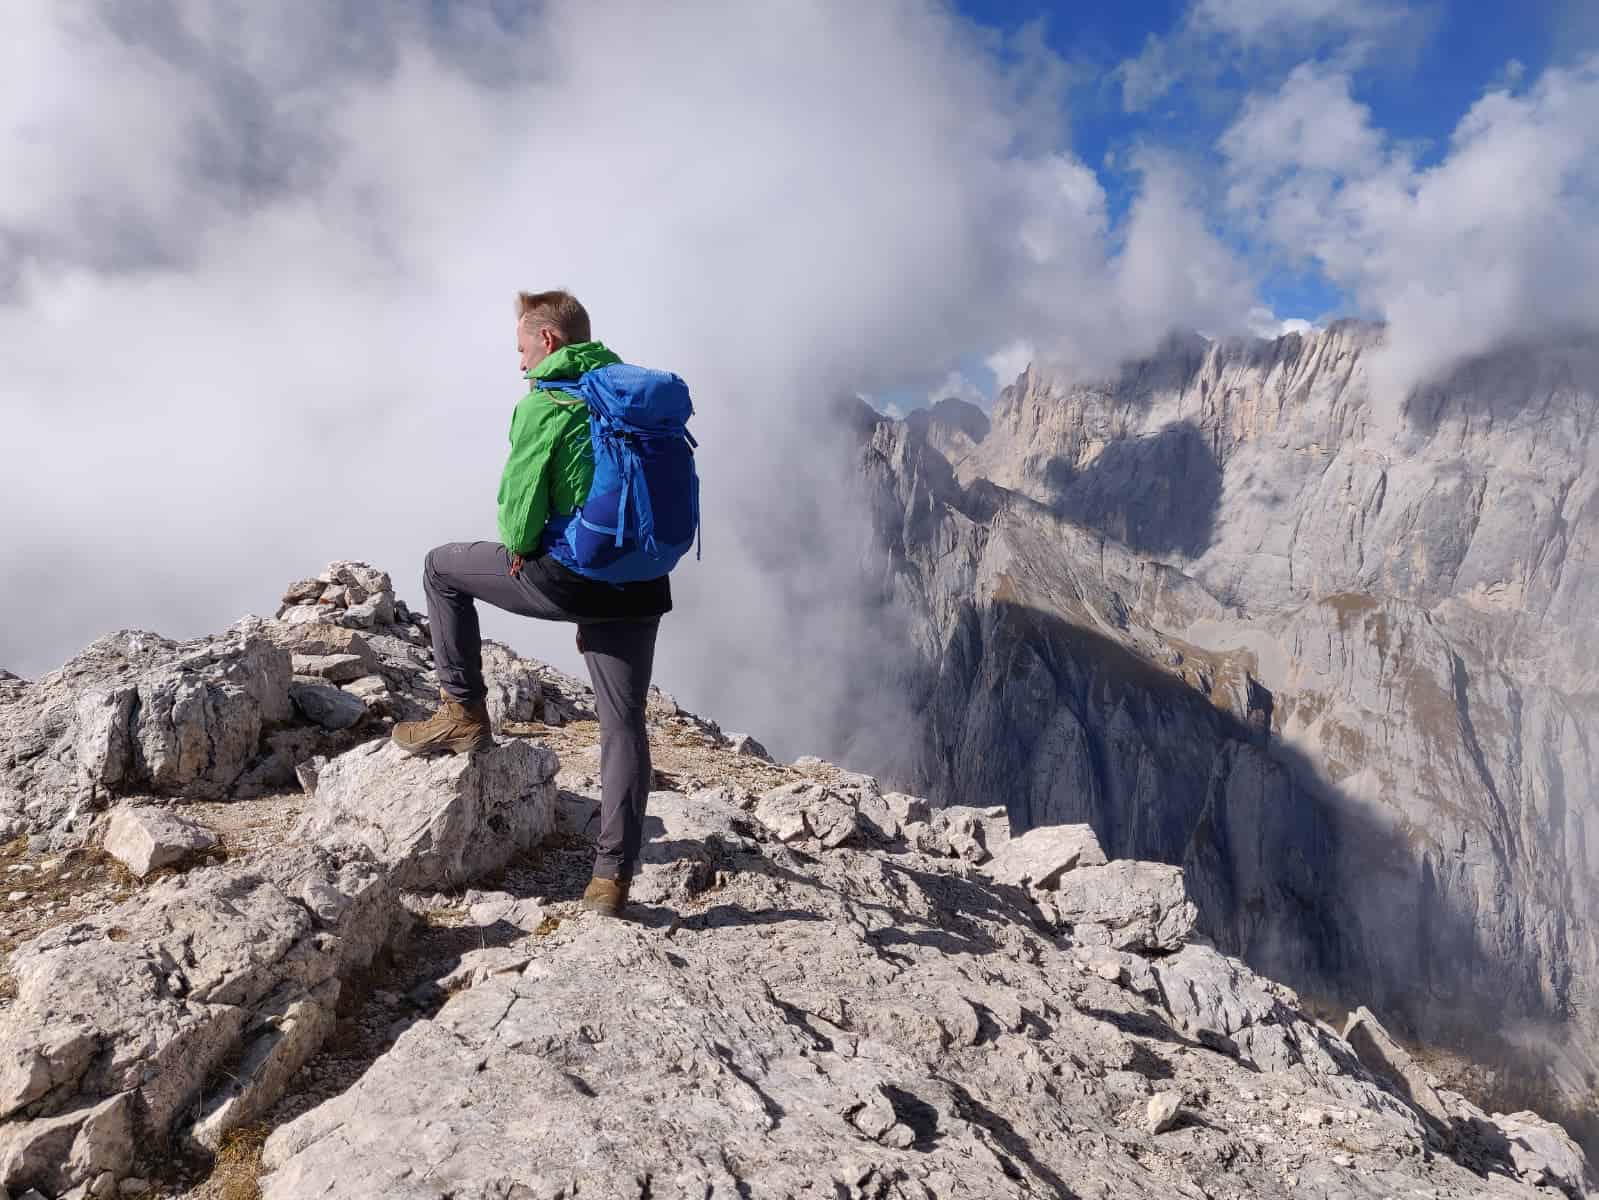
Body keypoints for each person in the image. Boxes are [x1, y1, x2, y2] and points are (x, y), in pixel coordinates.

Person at [392, 289, 677, 919]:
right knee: (623, 724)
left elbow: (519, 522)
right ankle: (611, 879)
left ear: (547, 340)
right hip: (642, 582)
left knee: (441, 568)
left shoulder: (546, 402)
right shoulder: (630, 400)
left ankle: (462, 712)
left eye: (522, 348)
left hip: (571, 579)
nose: (519, 362)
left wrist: (528, 550)